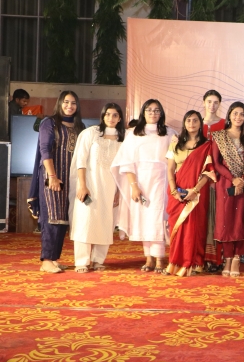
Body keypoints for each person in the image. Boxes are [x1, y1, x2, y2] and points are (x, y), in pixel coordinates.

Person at [111, 99, 177, 273]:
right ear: (143, 112)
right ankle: (149, 258)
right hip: (140, 182)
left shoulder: (169, 133)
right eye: (149, 110)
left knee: (157, 218)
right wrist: (134, 186)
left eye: (156, 110)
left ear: (161, 113)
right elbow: (127, 162)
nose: (153, 113)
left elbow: (176, 159)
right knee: (143, 219)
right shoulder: (133, 134)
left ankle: (160, 259)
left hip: (161, 182)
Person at [28, 91, 85, 273]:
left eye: (73, 103)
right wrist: (52, 176)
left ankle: (53, 258)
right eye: (66, 102)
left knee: (62, 219)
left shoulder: (79, 126)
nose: (69, 106)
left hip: (71, 179)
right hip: (52, 177)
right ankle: (46, 260)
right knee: (52, 217)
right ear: (60, 103)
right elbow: (45, 150)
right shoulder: (49, 123)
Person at [69, 103, 125, 273]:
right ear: (102, 116)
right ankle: (81, 261)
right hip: (89, 186)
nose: (111, 118)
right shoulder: (91, 133)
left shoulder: (123, 139)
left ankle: (98, 260)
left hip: (110, 188)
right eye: (108, 114)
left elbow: (122, 168)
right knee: (85, 221)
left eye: (115, 115)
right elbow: (80, 160)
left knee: (105, 222)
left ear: (120, 118)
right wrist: (82, 185)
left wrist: (119, 192)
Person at [211, 102, 244, 277]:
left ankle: (237, 259)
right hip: (226, 184)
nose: (238, 117)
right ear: (229, 115)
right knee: (226, 221)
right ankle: (227, 258)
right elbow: (216, 163)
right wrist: (232, 178)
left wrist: (243, 179)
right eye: (235, 113)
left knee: (241, 220)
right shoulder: (220, 136)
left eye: (242, 114)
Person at [164, 110, 215, 277]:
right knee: (177, 227)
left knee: (194, 227)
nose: (191, 123)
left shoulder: (207, 145)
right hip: (177, 192)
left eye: (195, 120)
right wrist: (173, 191)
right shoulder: (175, 145)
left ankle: (191, 263)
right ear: (184, 123)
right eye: (188, 120)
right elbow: (170, 169)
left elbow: (209, 172)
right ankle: (174, 262)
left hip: (197, 194)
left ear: (200, 123)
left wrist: (195, 190)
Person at [201, 90, 226, 272]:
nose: (212, 105)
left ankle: (217, 259)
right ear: (204, 102)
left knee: (217, 217)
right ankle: (200, 258)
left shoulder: (224, 124)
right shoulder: (195, 122)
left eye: (216, 102)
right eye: (209, 101)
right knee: (201, 217)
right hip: (199, 178)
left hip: (219, 178)